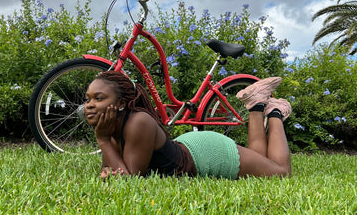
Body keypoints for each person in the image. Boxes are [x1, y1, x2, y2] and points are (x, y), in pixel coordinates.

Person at [84, 71, 291, 179]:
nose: (89, 106)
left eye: (98, 98)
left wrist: (102, 140)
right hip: (187, 146)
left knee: (281, 173)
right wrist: (106, 142)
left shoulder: (139, 121)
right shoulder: (111, 124)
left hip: (206, 154)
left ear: (120, 103)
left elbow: (126, 182)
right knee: (261, 160)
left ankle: (274, 112)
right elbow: (111, 169)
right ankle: (255, 105)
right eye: (87, 99)